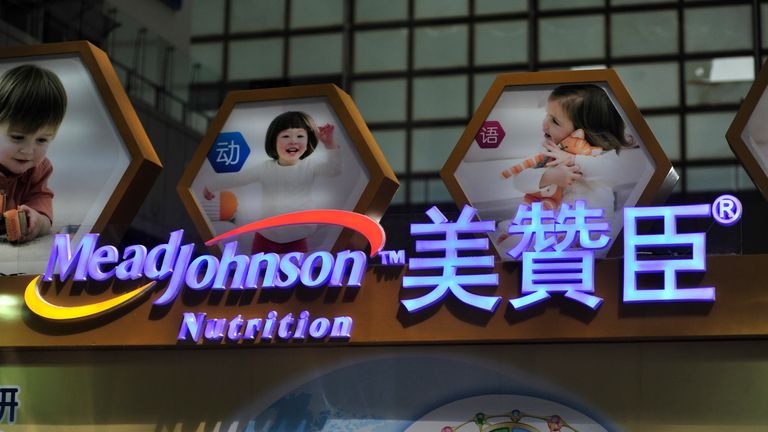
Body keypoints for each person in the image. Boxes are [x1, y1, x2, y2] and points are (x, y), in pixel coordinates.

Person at [497, 84, 634, 245]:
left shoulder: (603, 156)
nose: (544, 124)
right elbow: (519, 181)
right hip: (556, 227)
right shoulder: (552, 152)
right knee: (518, 235)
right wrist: (549, 176)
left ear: (586, 131)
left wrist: (572, 160)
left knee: (518, 242)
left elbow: (614, 173)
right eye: (547, 115)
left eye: (554, 120)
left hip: (591, 231)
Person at [204, 111, 341, 254]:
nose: (293, 141)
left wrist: (329, 143)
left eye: (300, 136)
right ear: (274, 141)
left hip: (298, 237)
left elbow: (334, 169)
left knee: (297, 275)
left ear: (308, 142)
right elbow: (238, 178)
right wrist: (210, 187)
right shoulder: (265, 168)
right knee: (259, 274)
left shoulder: (309, 166)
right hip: (266, 236)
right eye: (286, 136)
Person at [0, 64, 67, 243]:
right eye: (18, 137)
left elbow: (42, 205)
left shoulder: (38, 170)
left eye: (42, 140)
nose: (29, 151)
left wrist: (38, 221)